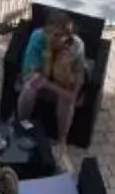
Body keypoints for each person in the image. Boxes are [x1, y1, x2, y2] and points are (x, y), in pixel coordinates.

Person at [16, 12, 88, 152]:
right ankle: (22, 124)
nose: (52, 38)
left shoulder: (77, 46)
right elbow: (32, 73)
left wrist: (72, 89)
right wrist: (63, 91)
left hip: (62, 80)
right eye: (49, 33)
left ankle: (62, 139)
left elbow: (80, 74)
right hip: (40, 76)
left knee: (67, 102)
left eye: (58, 35)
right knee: (29, 88)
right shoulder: (37, 38)